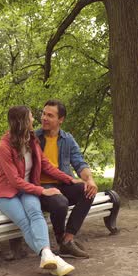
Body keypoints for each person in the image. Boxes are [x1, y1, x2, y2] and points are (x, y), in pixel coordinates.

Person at [0, 105, 82, 276]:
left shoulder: (32, 140)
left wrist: (69, 179)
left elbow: (47, 165)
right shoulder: (3, 146)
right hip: (7, 193)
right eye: (31, 117)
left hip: (27, 189)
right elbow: (14, 181)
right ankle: (50, 257)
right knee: (25, 222)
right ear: (23, 121)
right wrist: (42, 191)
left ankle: (47, 257)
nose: (35, 119)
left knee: (36, 214)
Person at [35, 99, 99, 258]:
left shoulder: (67, 139)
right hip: (42, 189)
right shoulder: (33, 138)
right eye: (43, 114)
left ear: (60, 120)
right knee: (60, 202)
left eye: (50, 115)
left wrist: (89, 179)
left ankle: (68, 239)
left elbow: (79, 162)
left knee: (88, 191)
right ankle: (60, 239)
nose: (44, 118)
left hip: (63, 183)